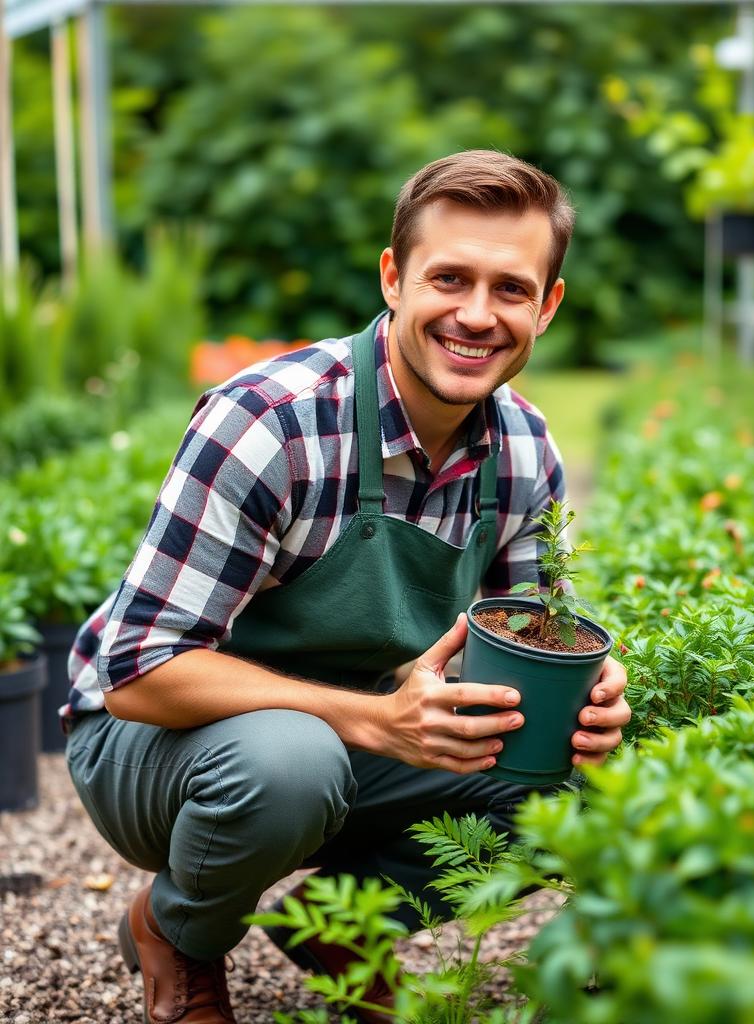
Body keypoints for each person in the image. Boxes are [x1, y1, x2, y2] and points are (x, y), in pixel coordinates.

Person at [63, 150, 631, 1024]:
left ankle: (342, 928)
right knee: (290, 763)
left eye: (511, 289)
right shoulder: (272, 423)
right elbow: (136, 671)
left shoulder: (523, 452)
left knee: (570, 781)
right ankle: (177, 933)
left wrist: (588, 700)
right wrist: (373, 717)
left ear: (548, 306)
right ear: (394, 278)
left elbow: (532, 645)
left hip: (366, 739)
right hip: (156, 744)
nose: (477, 315)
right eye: (449, 278)